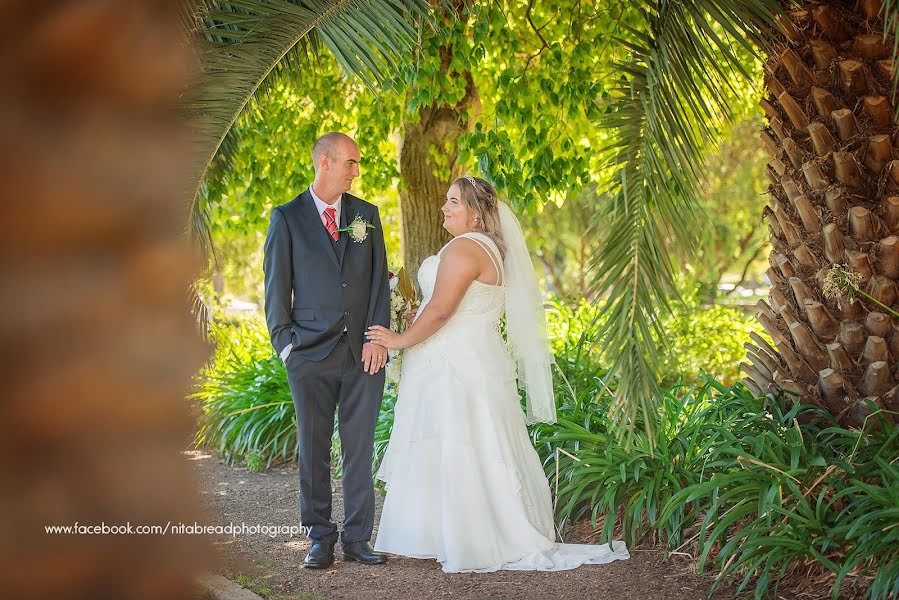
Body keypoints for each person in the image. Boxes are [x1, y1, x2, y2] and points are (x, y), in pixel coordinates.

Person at [366, 175, 630, 573]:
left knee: (458, 443)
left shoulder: (463, 250)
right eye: (446, 200)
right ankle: (458, 532)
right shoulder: (491, 249)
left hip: (454, 364)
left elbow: (439, 311)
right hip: (475, 358)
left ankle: (467, 538)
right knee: (479, 443)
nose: (445, 208)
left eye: (453, 202)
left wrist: (398, 339)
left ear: (475, 214)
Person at [263, 132, 391, 569]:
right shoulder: (287, 218)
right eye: (351, 163)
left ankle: (358, 539)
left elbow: (378, 286)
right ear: (325, 162)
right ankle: (319, 537)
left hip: (363, 356)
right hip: (309, 355)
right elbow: (276, 291)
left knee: (360, 448)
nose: (357, 171)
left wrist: (377, 339)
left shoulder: (366, 216)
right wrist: (286, 347)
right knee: (313, 448)